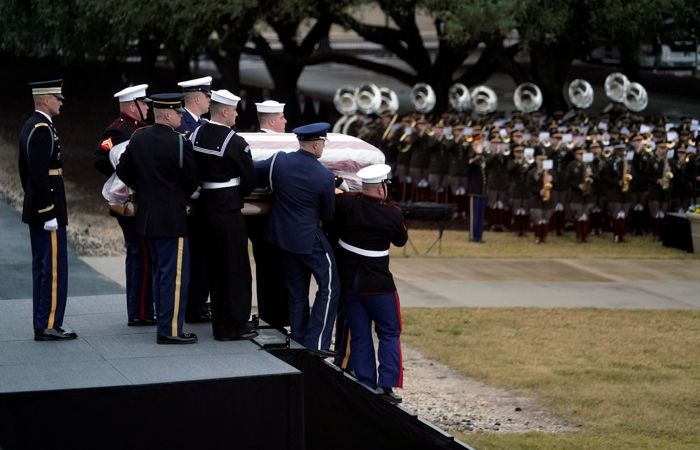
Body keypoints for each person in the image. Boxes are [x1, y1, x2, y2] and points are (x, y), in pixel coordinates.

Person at [116, 93, 201, 344]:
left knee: (159, 274)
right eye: (178, 113)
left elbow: (123, 170)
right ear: (166, 114)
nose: (181, 118)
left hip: (147, 218)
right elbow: (192, 180)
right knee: (174, 277)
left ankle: (165, 324)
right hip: (172, 218)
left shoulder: (138, 137)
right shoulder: (178, 142)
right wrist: (180, 196)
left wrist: (143, 187)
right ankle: (170, 330)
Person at [255, 122, 339, 355]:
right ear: (315, 144)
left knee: (296, 290)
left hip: (282, 238)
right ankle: (317, 342)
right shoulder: (324, 176)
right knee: (330, 286)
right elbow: (328, 215)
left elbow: (253, 171)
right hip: (309, 238)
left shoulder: (278, 161)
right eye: (322, 143)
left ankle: (299, 339)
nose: (323, 146)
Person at [333, 164, 407, 404]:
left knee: (360, 335)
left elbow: (342, 198)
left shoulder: (346, 204)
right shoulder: (392, 213)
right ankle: (387, 384)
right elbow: (400, 240)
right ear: (382, 188)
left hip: (351, 283)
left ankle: (365, 382)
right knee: (389, 332)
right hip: (378, 285)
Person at [190, 89, 258, 341]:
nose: (237, 114)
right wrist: (235, 194)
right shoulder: (235, 142)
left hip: (204, 208)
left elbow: (190, 168)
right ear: (225, 111)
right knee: (236, 269)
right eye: (235, 110)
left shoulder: (196, 134)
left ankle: (221, 322)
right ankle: (234, 324)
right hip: (228, 211)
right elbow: (249, 180)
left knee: (215, 269)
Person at [19, 79, 77, 341]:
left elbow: (25, 172)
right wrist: (47, 210)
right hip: (48, 209)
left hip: (41, 206)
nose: (61, 102)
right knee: (52, 269)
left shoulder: (32, 125)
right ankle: (49, 324)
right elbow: (38, 174)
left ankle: (43, 322)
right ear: (44, 100)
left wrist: (33, 199)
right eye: (57, 97)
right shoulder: (42, 129)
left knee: (43, 267)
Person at [95, 84, 155, 326]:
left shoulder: (137, 129)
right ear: (133, 106)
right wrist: (125, 178)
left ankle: (140, 309)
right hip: (130, 201)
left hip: (138, 199)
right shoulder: (119, 131)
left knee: (140, 253)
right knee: (140, 254)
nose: (148, 107)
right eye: (144, 104)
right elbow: (101, 158)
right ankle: (140, 312)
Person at [247, 99, 290, 329]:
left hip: (255, 214)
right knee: (274, 269)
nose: (285, 121)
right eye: (282, 117)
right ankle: (276, 318)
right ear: (272, 120)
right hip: (270, 216)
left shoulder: (255, 143)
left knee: (266, 268)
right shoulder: (277, 146)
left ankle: (268, 315)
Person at [177, 76, 213, 323]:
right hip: (188, 201)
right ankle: (191, 307)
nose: (210, 101)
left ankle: (198, 304)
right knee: (192, 257)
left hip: (202, 200)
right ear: (198, 98)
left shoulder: (203, 123)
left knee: (202, 256)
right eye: (209, 96)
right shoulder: (182, 123)